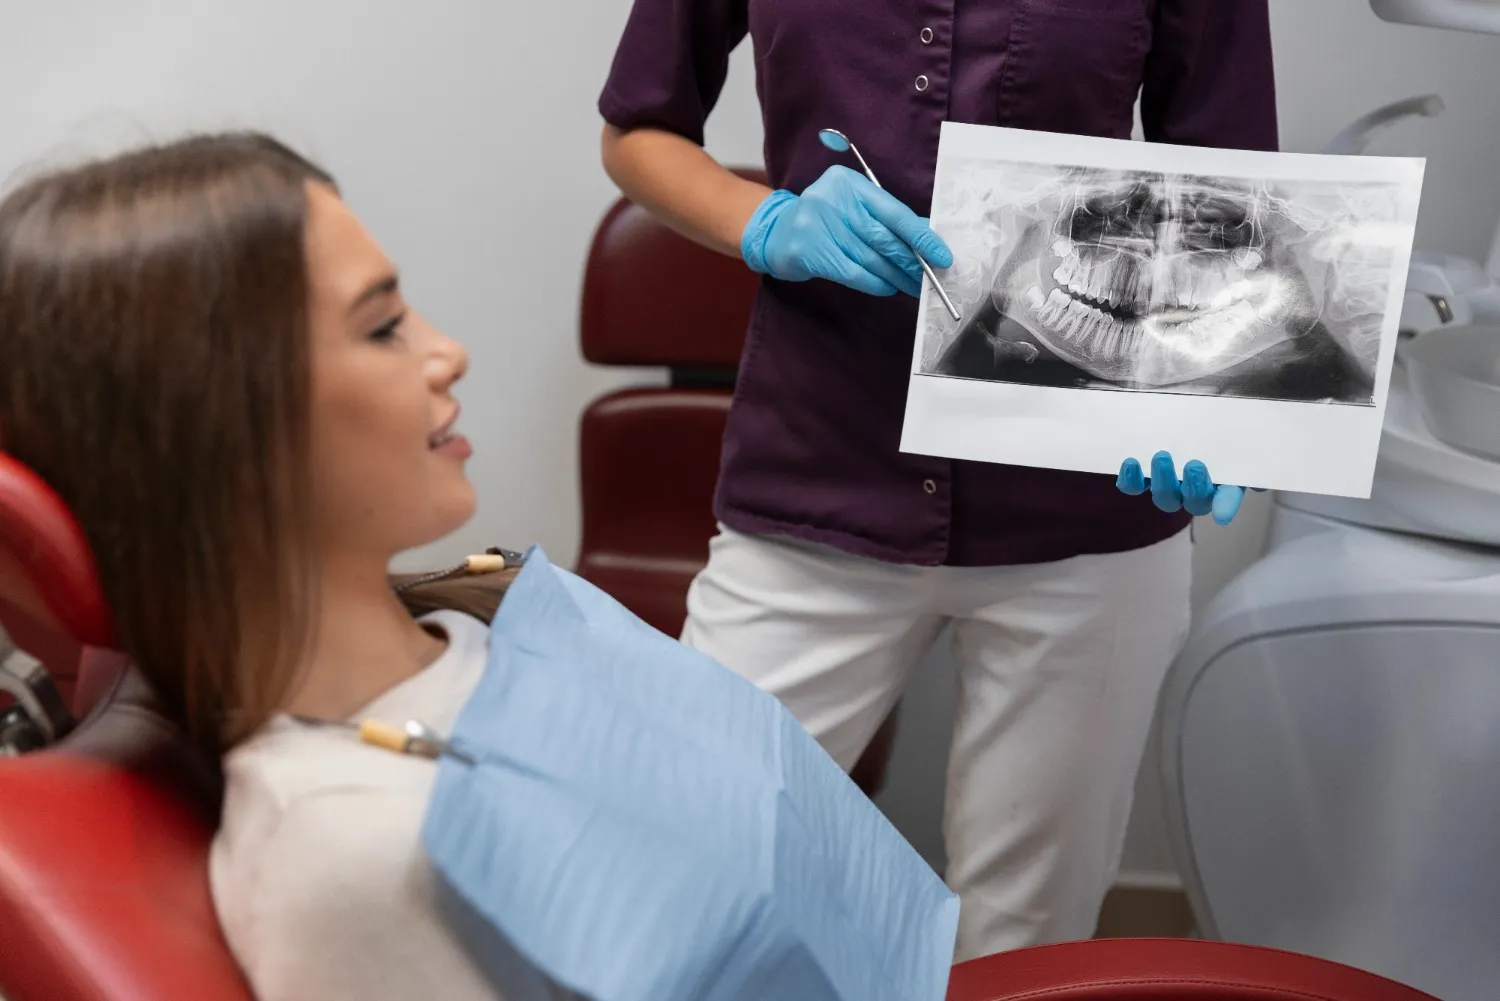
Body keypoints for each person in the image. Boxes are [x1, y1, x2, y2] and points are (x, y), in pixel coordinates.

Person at [598, 0, 1277, 957]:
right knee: (683, 876)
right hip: (818, 474)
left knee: (1026, 939)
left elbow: (1236, 195)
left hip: (1083, 506)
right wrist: (769, 222)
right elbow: (639, 130)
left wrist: (1217, 409)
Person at [0, 133, 528, 1000]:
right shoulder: (357, 852)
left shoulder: (482, 620)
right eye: (385, 327)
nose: (447, 353)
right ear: (218, 441)